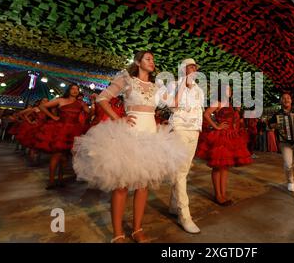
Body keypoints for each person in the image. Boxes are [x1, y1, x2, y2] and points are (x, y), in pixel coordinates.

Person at [72, 51, 187, 243]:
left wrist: (183, 81)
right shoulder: (127, 80)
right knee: (121, 186)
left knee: (143, 186)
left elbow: (174, 104)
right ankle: (118, 233)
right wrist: (119, 118)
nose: (152, 62)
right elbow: (102, 99)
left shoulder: (156, 86)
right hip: (129, 136)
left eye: (153, 59)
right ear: (138, 62)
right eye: (148, 59)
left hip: (151, 138)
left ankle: (137, 230)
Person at [162, 58, 205, 234]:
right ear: (182, 69)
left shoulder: (199, 89)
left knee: (184, 170)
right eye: (190, 66)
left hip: (193, 131)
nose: (193, 69)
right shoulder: (173, 84)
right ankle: (184, 215)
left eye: (195, 66)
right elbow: (173, 106)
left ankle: (173, 205)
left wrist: (198, 129)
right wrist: (182, 83)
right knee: (180, 171)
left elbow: (200, 111)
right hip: (179, 129)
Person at [196, 83, 252, 206]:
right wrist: (216, 126)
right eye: (227, 89)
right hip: (220, 137)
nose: (230, 91)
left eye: (230, 89)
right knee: (218, 167)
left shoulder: (231, 105)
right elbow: (205, 114)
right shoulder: (218, 103)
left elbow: (235, 121)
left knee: (225, 167)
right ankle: (218, 195)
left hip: (231, 136)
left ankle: (223, 194)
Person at [35, 84, 89, 189]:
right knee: (56, 155)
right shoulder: (60, 100)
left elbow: (89, 112)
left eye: (77, 89)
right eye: (73, 89)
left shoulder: (80, 103)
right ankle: (51, 181)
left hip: (74, 131)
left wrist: (92, 104)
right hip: (61, 130)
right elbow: (41, 106)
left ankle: (60, 180)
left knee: (65, 158)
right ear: (68, 90)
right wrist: (53, 116)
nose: (75, 91)